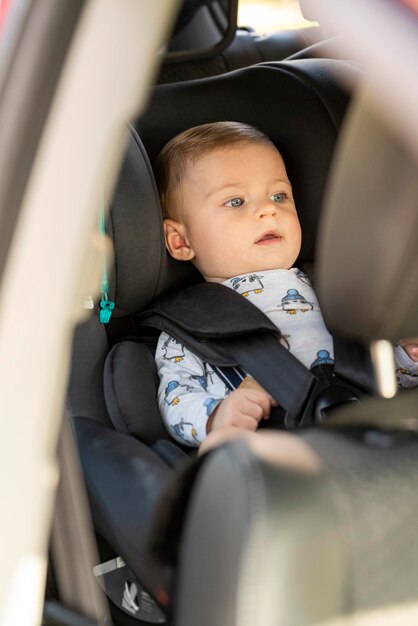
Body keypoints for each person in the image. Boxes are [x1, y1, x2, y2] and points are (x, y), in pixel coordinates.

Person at [153, 121, 418, 447]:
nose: (268, 210)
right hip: (284, 450)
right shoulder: (191, 324)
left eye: (279, 195)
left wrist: (405, 359)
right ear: (180, 241)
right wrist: (216, 416)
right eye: (236, 201)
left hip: (373, 437)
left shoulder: (331, 286)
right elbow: (177, 397)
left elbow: (373, 372)